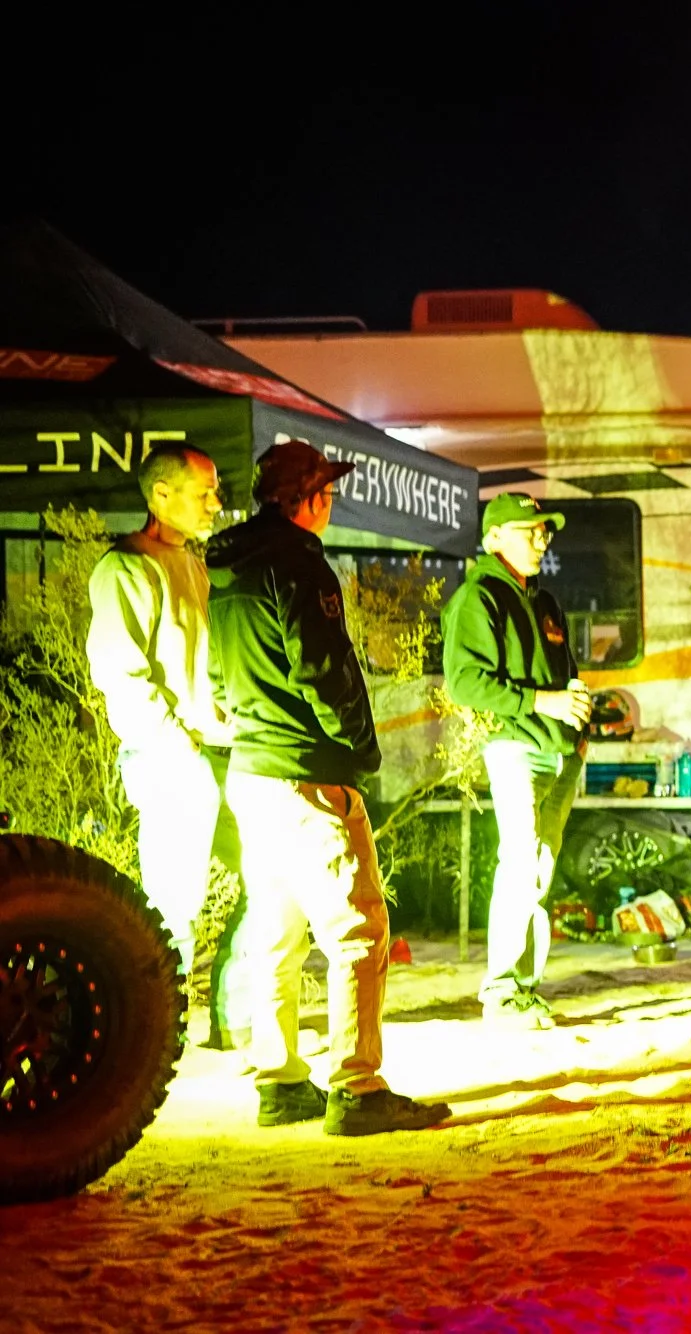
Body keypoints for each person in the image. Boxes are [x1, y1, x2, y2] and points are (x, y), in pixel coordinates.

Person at [207, 440, 449, 1135]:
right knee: (358, 930)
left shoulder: (225, 567)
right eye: (327, 492)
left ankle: (279, 1080)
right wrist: (359, 748)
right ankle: (358, 1087)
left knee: (274, 934)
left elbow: (221, 678)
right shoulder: (298, 563)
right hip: (308, 773)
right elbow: (322, 667)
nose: (332, 502)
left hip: (251, 772)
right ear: (307, 500)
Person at [86, 444, 252, 1045]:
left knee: (270, 874)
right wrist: (176, 740)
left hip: (214, 750)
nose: (216, 502)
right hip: (171, 756)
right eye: (203, 491)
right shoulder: (126, 568)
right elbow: (120, 672)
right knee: (172, 907)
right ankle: (157, 1034)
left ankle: (232, 1015)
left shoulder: (191, 562)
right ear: (162, 494)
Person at [441, 493, 590, 1030]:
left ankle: (523, 989)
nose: (541, 538)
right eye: (529, 530)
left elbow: (565, 675)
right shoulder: (477, 599)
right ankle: (501, 992)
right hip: (514, 747)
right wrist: (541, 703)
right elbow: (464, 682)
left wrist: (579, 729)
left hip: (557, 752)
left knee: (538, 870)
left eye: (545, 530)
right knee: (521, 862)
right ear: (494, 538)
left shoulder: (543, 601)